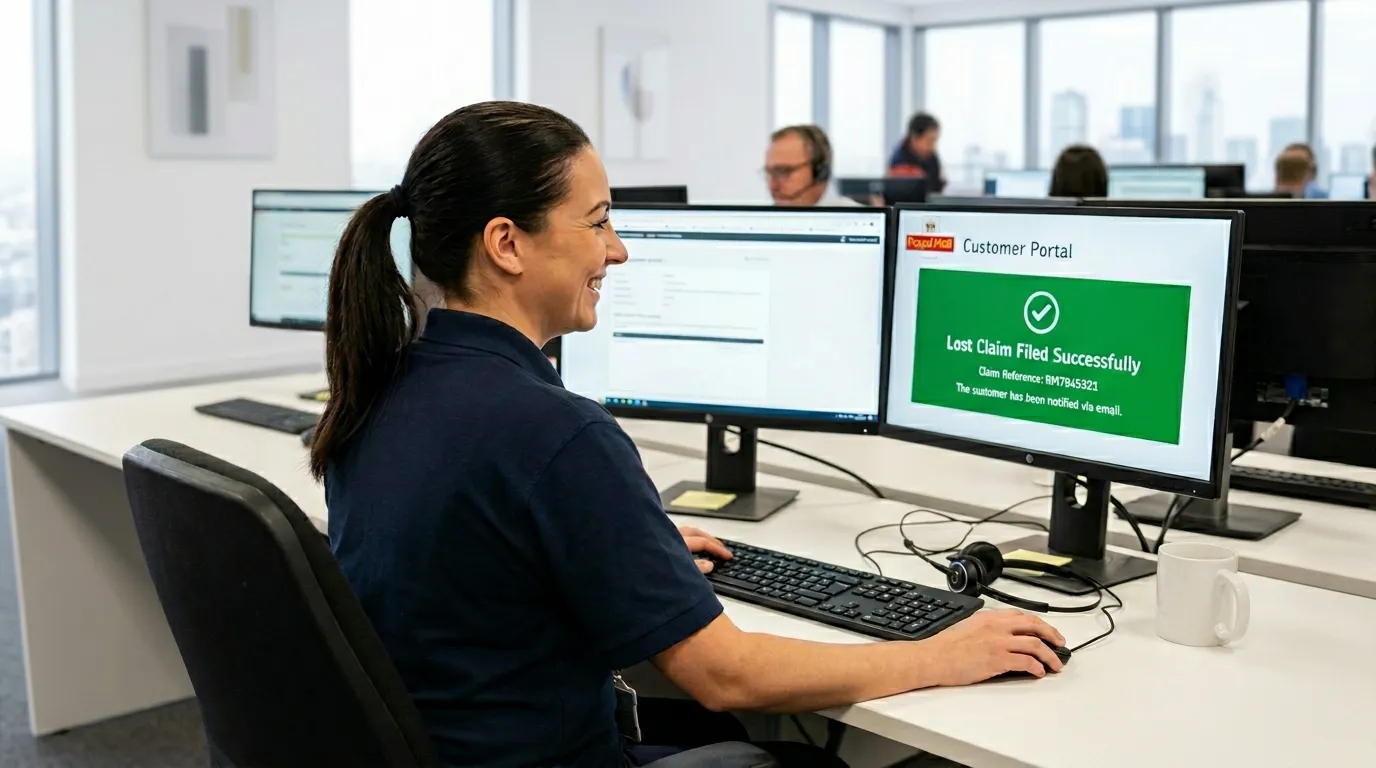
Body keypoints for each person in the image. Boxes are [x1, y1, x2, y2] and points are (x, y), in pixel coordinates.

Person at [311, 101, 1065, 768]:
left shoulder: (380, 387)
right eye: (599, 220)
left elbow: (477, 562)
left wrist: (626, 541)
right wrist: (934, 653)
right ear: (506, 243)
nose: (618, 250)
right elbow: (726, 674)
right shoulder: (557, 433)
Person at [763, 124, 855, 206]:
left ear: (819, 173)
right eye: (769, 173)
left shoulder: (858, 220)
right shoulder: (763, 220)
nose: (772, 186)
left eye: (783, 172)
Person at [888, 112, 946, 193]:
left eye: (935, 140)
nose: (933, 145)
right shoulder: (899, 158)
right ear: (914, 138)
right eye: (929, 140)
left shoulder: (932, 157)